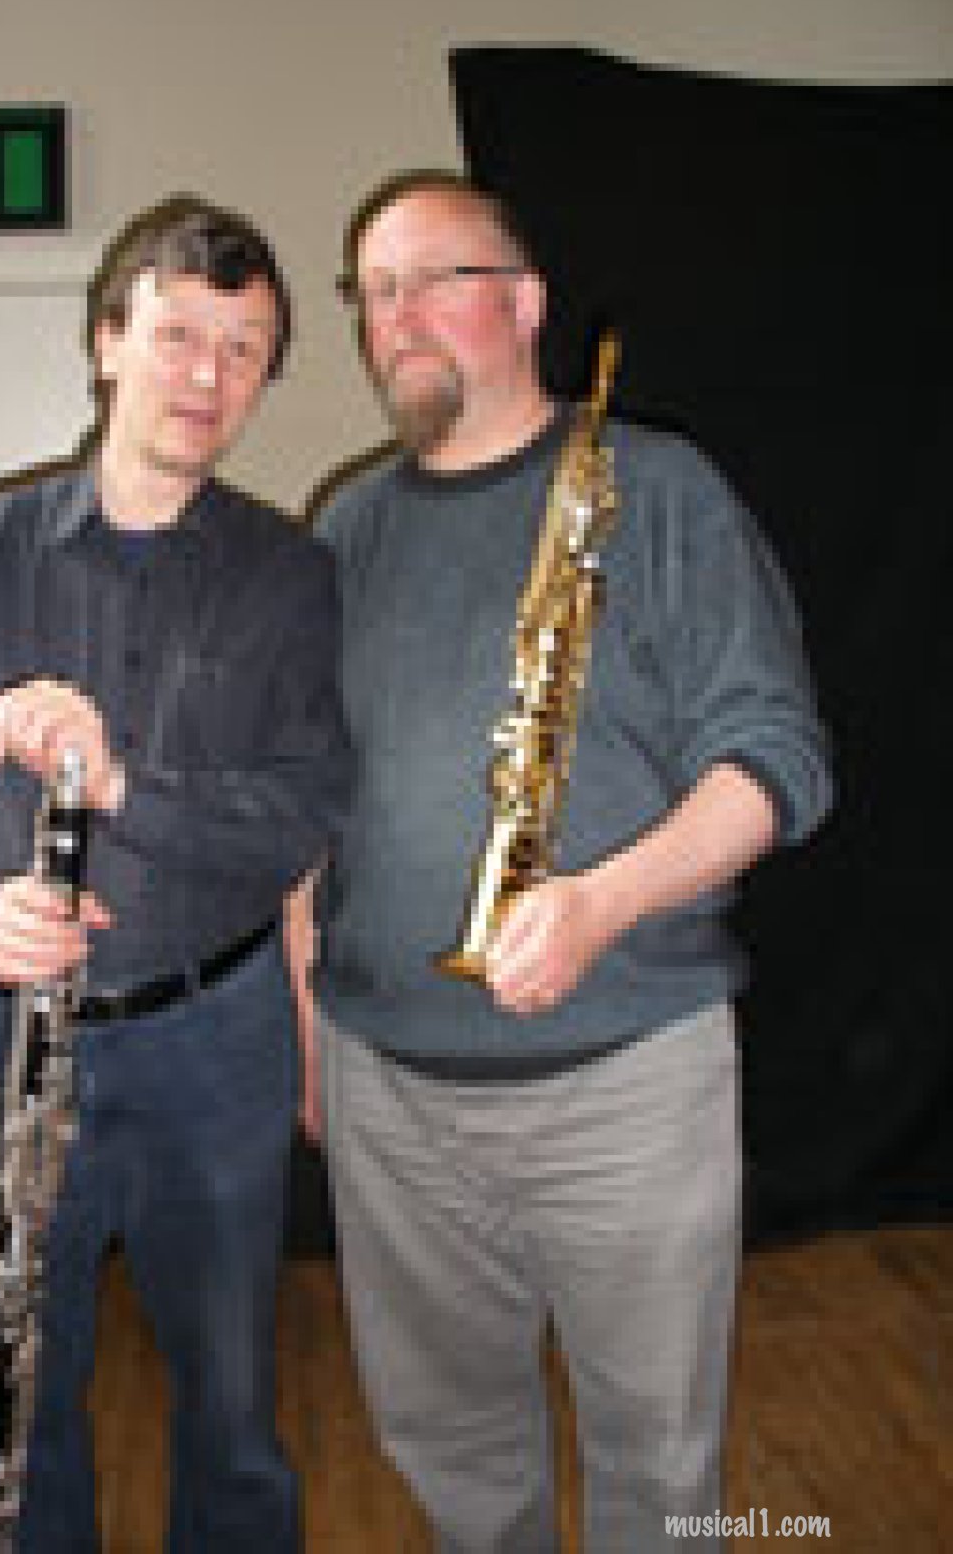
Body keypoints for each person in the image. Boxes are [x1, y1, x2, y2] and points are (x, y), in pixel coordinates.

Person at [287, 170, 832, 1553]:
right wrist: (307, 1033)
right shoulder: (346, 528)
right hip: (388, 1092)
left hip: (626, 1085)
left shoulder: (661, 489)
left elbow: (777, 762)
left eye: (433, 280)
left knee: (662, 1464)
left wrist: (601, 901)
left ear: (524, 303)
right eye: (375, 291)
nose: (396, 318)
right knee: (452, 1447)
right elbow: (302, 812)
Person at [0, 195, 352, 1554]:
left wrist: (123, 789)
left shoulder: (291, 575)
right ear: (108, 339)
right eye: (179, 335)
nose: (207, 375)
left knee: (232, 1409)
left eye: (244, 350)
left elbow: (304, 810)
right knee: (15, 1408)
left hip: (215, 1043)